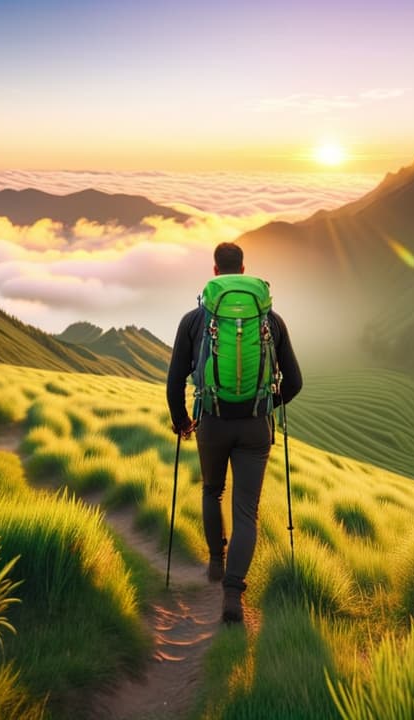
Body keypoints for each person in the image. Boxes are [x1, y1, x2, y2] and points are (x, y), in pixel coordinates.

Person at [166, 241, 302, 624]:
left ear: (214, 272)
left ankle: (214, 560)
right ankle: (233, 592)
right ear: (243, 270)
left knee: (212, 490)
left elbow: (175, 379)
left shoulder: (194, 320)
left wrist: (182, 421)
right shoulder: (270, 320)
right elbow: (294, 382)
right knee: (247, 511)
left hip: (212, 420)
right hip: (255, 428)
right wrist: (264, 404)